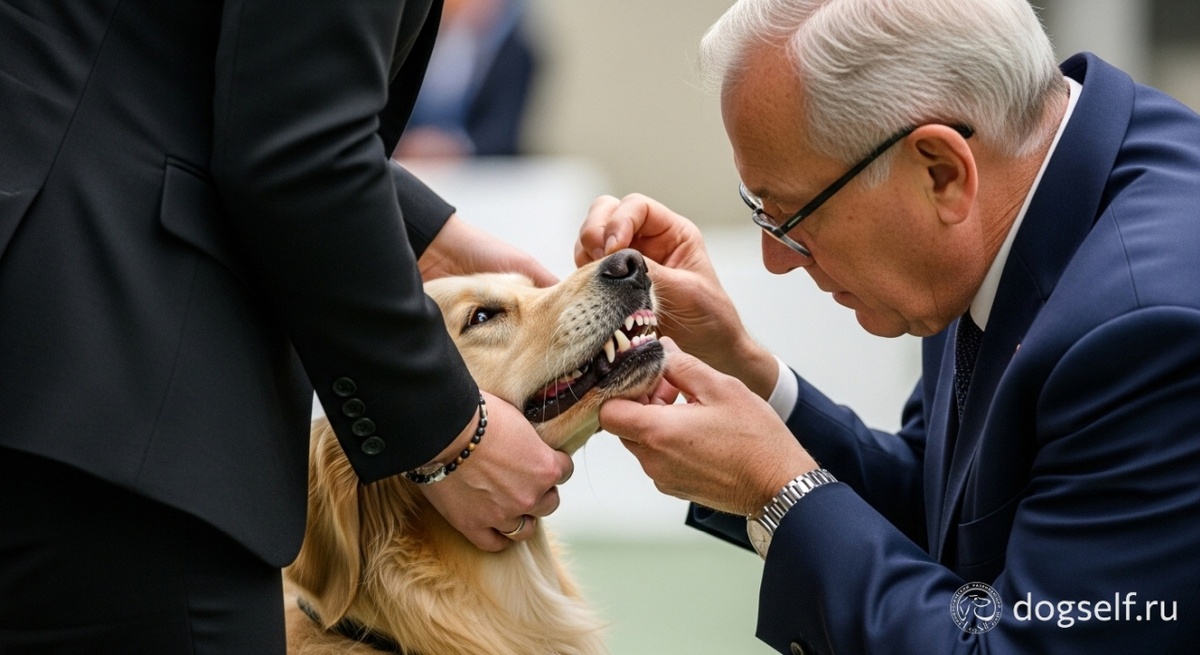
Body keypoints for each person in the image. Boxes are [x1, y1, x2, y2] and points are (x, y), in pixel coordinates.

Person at [575, 0, 1200, 653]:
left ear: (940, 170)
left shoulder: (1150, 330)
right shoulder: (1003, 203)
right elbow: (949, 516)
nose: (776, 258)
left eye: (788, 216)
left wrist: (776, 486)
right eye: (758, 211)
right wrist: (740, 369)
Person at [0, 1, 570, 653]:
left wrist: (423, 232)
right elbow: (297, 145)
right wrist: (454, 438)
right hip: (117, 401)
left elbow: (194, 61)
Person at [394, 0, 539, 159]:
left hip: (477, 169)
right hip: (410, 159)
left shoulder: (514, 54)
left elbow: (503, 132)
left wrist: (455, 148)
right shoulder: (419, 40)